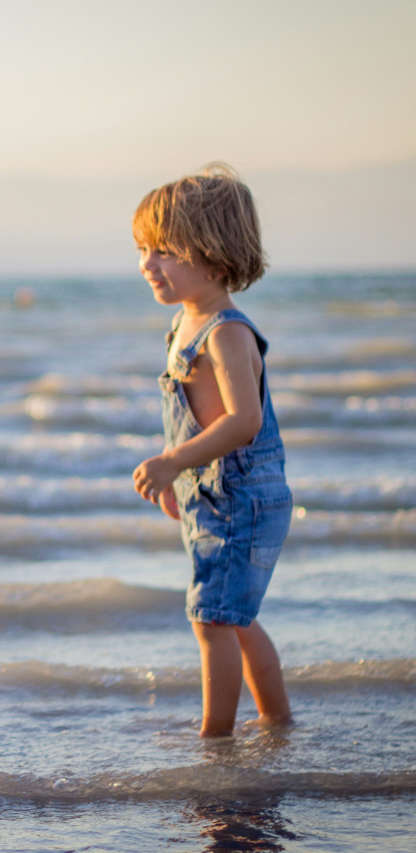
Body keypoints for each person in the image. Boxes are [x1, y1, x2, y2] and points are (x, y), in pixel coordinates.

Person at [130, 163, 294, 738]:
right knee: (234, 618)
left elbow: (243, 422)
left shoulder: (225, 332)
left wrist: (175, 462)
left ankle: (215, 739)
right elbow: (192, 421)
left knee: (212, 621)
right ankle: (277, 723)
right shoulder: (183, 324)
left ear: (214, 254)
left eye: (165, 251)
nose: (148, 264)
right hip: (213, 495)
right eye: (144, 250)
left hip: (241, 497)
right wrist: (180, 478)